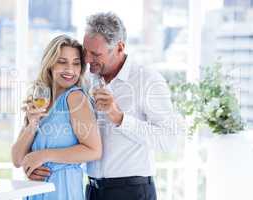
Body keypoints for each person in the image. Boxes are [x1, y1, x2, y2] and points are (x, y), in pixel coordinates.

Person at [30, 12, 183, 200]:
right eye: (86, 51)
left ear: (119, 47)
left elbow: (170, 140)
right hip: (92, 190)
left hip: (131, 191)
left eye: (96, 54)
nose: (87, 59)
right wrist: (39, 163)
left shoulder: (147, 81)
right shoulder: (86, 81)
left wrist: (119, 117)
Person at [11, 35, 102, 200]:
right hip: (34, 191)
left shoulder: (75, 98)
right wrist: (32, 123)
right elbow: (17, 159)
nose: (70, 70)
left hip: (63, 190)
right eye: (62, 62)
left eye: (76, 63)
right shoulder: (40, 101)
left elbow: (94, 150)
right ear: (50, 64)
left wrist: (44, 155)